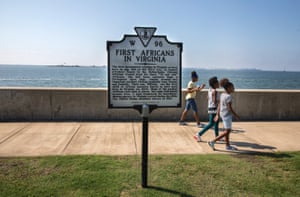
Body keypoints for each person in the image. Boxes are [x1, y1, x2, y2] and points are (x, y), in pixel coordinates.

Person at [208, 79, 240, 151]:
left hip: (223, 114)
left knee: (226, 131)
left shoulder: (222, 94)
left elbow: (219, 105)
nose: (233, 89)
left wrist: (217, 114)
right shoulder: (228, 97)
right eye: (232, 87)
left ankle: (227, 146)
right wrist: (236, 115)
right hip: (227, 116)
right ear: (228, 88)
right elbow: (229, 108)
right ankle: (212, 141)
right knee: (227, 131)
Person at [193, 76, 220, 142]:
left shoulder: (210, 90)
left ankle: (217, 137)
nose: (218, 83)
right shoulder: (215, 91)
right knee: (211, 123)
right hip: (214, 108)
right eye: (217, 82)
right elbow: (214, 101)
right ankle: (198, 134)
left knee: (216, 122)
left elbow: (208, 98)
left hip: (210, 107)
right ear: (214, 84)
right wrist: (219, 103)